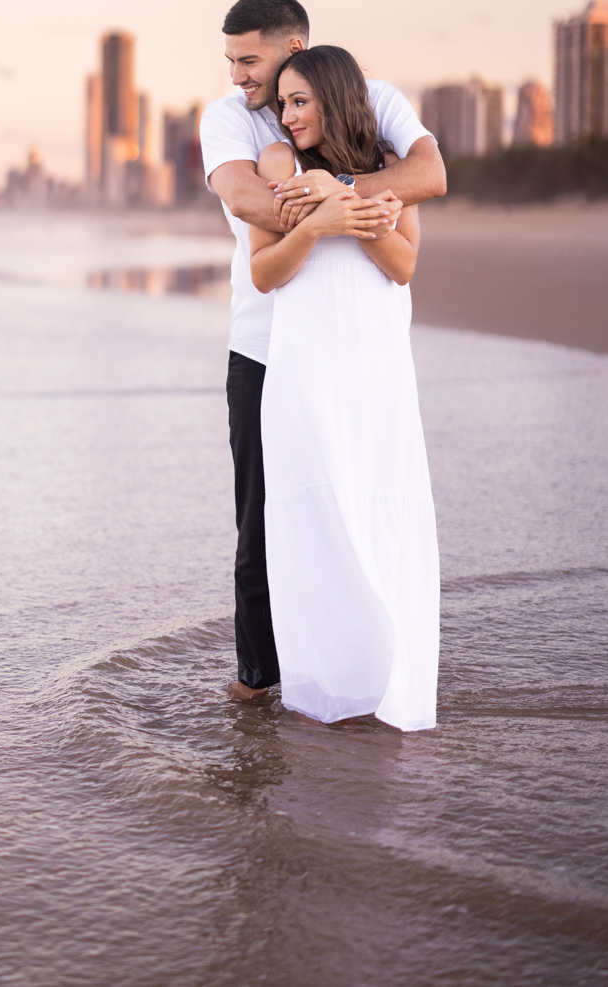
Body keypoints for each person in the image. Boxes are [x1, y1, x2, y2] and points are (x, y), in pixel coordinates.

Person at [199, 0, 445, 701]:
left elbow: (427, 176)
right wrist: (324, 204)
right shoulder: (233, 122)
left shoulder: (377, 99)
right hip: (263, 350)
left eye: (249, 60)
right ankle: (261, 686)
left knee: (364, 509)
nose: (239, 76)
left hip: (362, 356)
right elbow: (247, 201)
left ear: (294, 51)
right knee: (266, 526)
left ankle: (365, 670)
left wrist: (335, 191)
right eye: (232, 60)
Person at [250, 45, 439, 729]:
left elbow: (403, 265)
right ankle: (323, 691)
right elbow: (265, 272)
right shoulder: (279, 167)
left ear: (333, 97)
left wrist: (345, 198)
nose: (289, 115)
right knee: (314, 523)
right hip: (304, 375)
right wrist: (320, 220)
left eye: (301, 101)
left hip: (375, 372)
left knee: (377, 512)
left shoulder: (388, 170)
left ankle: (388, 680)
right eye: (283, 104)